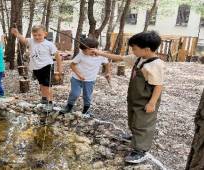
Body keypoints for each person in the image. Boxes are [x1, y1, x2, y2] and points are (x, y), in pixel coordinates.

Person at [92, 31, 165, 164]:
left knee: (143, 123)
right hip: (134, 97)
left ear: (147, 49)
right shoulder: (138, 58)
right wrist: (99, 53)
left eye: (134, 48)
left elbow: (159, 86)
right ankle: (134, 136)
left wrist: (152, 103)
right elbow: (119, 57)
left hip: (146, 100)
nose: (132, 50)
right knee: (133, 118)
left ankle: (140, 150)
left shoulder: (155, 65)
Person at [11, 25, 63, 112]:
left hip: (47, 66)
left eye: (39, 35)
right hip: (36, 67)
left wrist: (59, 68)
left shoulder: (49, 44)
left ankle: (50, 102)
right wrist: (17, 34)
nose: (37, 37)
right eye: (34, 35)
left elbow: (57, 55)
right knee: (42, 83)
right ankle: (44, 98)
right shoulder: (31, 41)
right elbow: (23, 40)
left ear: (45, 34)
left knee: (48, 85)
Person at [59, 38, 111, 118]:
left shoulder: (101, 56)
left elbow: (107, 63)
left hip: (90, 80)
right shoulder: (81, 55)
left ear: (93, 49)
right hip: (76, 78)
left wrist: (108, 72)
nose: (83, 52)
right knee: (75, 93)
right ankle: (69, 106)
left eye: (85, 50)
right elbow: (72, 65)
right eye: (82, 50)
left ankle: (86, 110)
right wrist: (79, 74)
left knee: (87, 95)